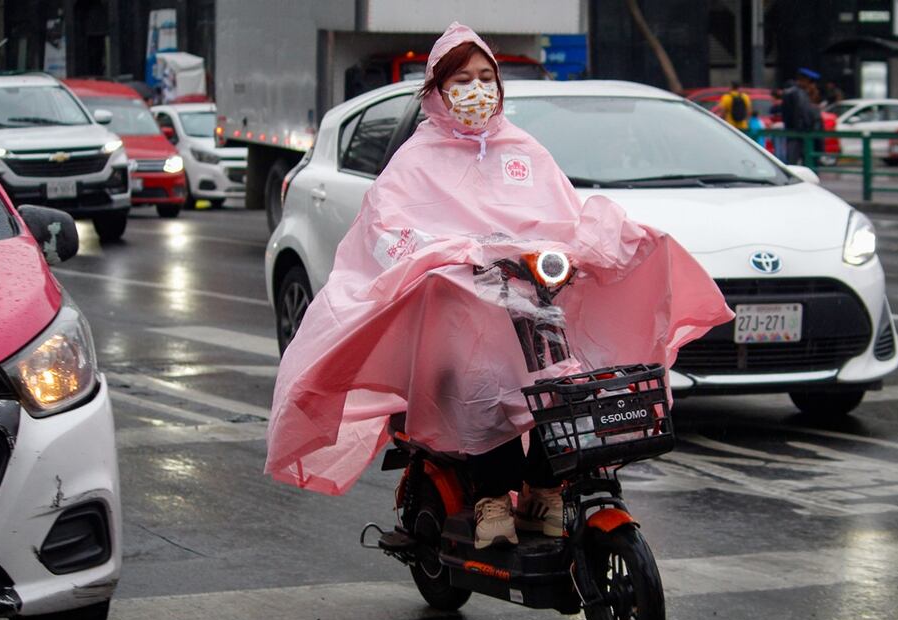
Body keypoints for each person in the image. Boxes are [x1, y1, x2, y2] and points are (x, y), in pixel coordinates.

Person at [264, 23, 731, 550]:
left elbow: (564, 215)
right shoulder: (416, 160)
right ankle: (489, 494)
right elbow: (388, 232)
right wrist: (448, 260)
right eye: (462, 79)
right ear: (437, 91)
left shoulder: (523, 149)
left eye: (486, 76)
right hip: (458, 315)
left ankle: (541, 487)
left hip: (532, 304)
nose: (477, 89)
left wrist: (598, 246)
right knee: (482, 386)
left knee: (564, 385)